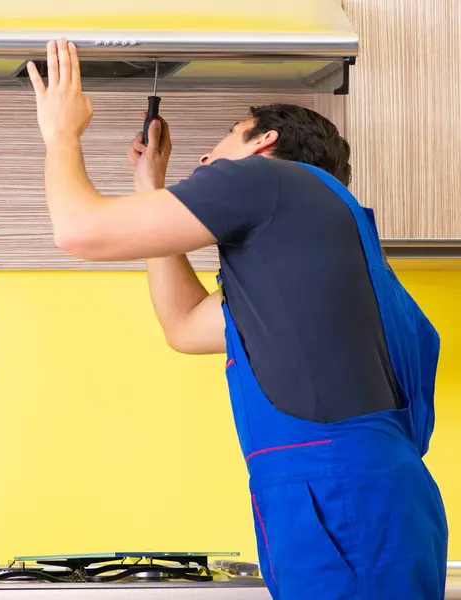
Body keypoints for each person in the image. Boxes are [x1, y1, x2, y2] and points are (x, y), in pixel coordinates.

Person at [27, 39, 448, 599]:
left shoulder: (268, 180)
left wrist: (60, 132)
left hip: (340, 497)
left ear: (264, 142)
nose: (204, 159)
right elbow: (184, 325)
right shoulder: (318, 252)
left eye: (223, 137)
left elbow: (79, 231)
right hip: (352, 498)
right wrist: (149, 187)